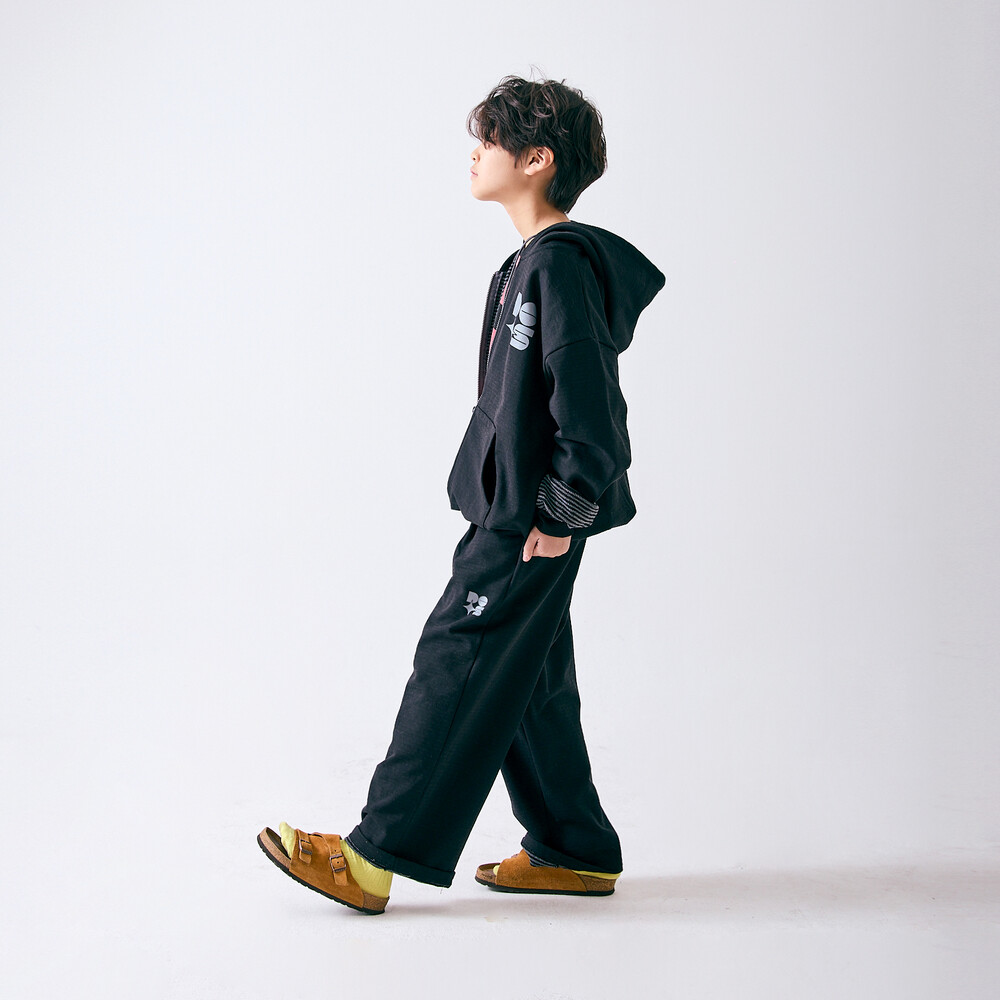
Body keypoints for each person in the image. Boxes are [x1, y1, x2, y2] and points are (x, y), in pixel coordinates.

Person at [258, 74, 665, 915]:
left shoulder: (558, 265)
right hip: (515, 508)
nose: (475, 152)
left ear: (537, 159)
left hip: (529, 518)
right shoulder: (531, 264)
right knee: (529, 676)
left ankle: (372, 858)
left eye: (491, 138)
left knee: (456, 660)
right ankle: (575, 847)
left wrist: (562, 513)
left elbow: (593, 414)